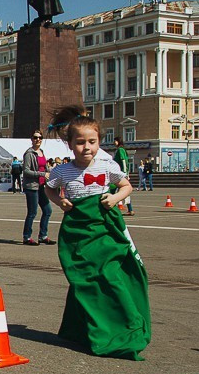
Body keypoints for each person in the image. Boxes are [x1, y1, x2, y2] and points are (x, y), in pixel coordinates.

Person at [44, 104, 149, 360]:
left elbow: (126, 186)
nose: (87, 147)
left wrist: (115, 198)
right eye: (80, 142)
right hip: (78, 231)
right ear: (70, 144)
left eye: (92, 141)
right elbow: (49, 188)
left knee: (109, 274)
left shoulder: (106, 165)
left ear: (99, 142)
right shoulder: (62, 170)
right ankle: (81, 330)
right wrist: (60, 201)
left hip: (105, 228)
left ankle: (123, 327)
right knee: (84, 279)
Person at [21, 131, 54, 246]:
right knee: (32, 212)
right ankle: (27, 237)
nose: (38, 140)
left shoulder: (41, 152)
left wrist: (50, 173)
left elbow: (44, 168)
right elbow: (26, 171)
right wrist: (42, 174)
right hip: (31, 186)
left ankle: (43, 236)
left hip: (41, 186)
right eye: (35, 137)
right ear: (32, 139)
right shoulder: (29, 154)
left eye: (40, 138)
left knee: (48, 210)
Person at [112, 137, 135, 216]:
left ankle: (111, 209)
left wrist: (125, 173)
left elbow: (123, 161)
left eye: (115, 141)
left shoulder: (120, 150)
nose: (114, 142)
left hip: (120, 174)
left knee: (112, 189)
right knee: (125, 192)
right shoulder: (120, 150)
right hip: (120, 173)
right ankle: (130, 210)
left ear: (119, 141)